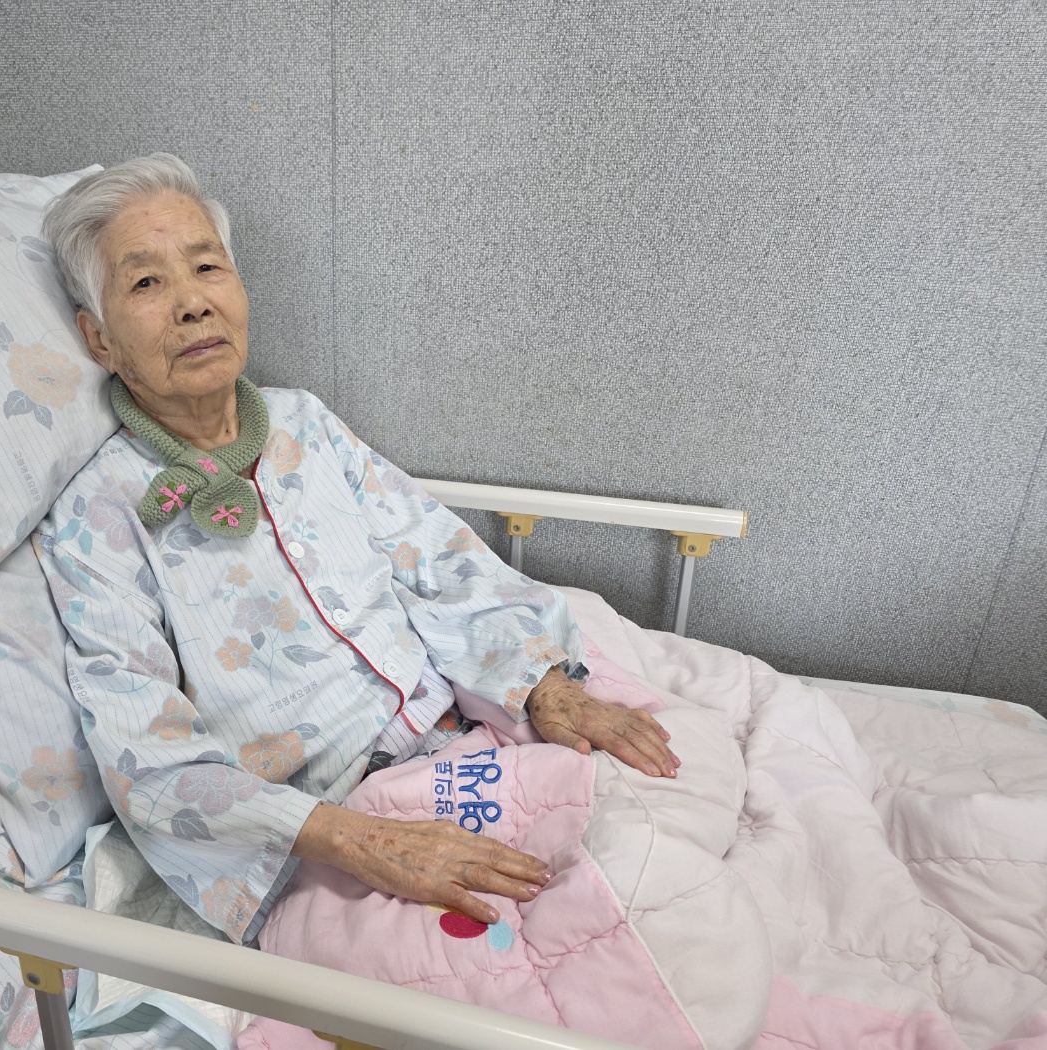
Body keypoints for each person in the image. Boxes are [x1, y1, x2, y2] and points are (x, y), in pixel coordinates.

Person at [36, 153, 678, 945]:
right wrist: (362, 842)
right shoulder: (98, 514)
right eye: (146, 282)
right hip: (328, 831)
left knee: (672, 826)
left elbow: (436, 557)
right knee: (545, 954)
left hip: (460, 741)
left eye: (206, 267)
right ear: (99, 340)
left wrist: (543, 686)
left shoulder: (303, 424)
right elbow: (148, 757)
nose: (194, 303)